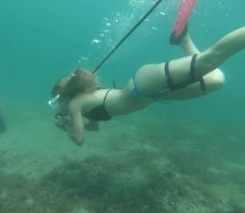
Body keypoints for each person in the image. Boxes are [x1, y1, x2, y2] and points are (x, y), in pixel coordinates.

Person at [50, 26, 245, 146]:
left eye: (56, 103)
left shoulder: (75, 104)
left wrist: (67, 127)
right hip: (153, 95)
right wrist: (68, 124)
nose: (58, 109)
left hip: (142, 85)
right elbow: (94, 128)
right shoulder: (83, 108)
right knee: (216, 80)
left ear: (63, 97)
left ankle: (188, 42)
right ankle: (184, 40)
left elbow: (79, 140)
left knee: (212, 59)